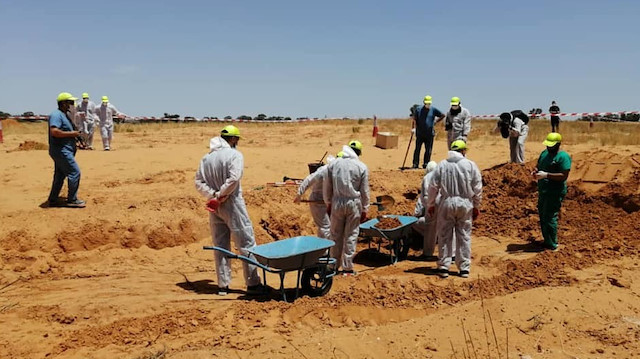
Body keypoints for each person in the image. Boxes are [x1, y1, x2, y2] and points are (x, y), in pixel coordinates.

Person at [195, 125, 264, 296]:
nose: (237, 142)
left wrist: (213, 195)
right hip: (232, 203)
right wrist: (220, 195)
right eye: (237, 139)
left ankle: (223, 285)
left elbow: (198, 182)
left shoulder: (206, 159)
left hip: (214, 205)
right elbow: (234, 179)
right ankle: (253, 284)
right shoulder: (235, 155)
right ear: (233, 139)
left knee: (220, 245)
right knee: (246, 242)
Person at [427, 140, 482, 278]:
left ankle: (444, 266)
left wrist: (431, 204)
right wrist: (476, 205)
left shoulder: (442, 165)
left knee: (445, 235)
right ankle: (464, 268)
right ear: (463, 151)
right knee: (463, 235)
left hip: (447, 202)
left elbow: (433, 186)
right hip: (465, 203)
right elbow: (477, 188)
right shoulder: (470, 165)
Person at [323, 140, 370, 276]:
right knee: (351, 235)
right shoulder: (361, 167)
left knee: (335, 234)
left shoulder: (334, 164)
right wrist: (365, 208)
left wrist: (328, 203)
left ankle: (333, 265)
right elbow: (365, 191)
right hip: (354, 203)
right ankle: (348, 267)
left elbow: (327, 186)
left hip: (337, 202)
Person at [532, 133, 571, 251]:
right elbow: (538, 165)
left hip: (555, 191)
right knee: (542, 215)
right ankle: (547, 240)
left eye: (551, 146)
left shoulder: (563, 157)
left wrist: (547, 175)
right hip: (543, 190)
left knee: (550, 216)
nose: (549, 148)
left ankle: (553, 243)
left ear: (558, 144)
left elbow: (564, 176)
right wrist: (535, 171)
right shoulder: (544, 154)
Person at [47, 92, 86, 208]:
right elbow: (54, 132)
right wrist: (72, 133)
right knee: (74, 172)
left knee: (60, 175)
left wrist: (76, 138)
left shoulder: (65, 115)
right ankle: (72, 199)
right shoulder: (56, 115)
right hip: (61, 151)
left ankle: (53, 199)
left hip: (65, 150)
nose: (73, 105)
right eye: (71, 102)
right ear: (63, 103)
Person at [294, 152, 344, 239]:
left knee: (331, 226)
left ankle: (324, 248)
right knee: (326, 227)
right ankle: (326, 249)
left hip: (330, 203)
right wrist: (299, 195)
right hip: (318, 202)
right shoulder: (324, 171)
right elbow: (309, 180)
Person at [411, 95, 445, 169]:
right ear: (424, 102)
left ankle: (426, 164)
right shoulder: (418, 109)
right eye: (426, 103)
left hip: (429, 134)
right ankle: (415, 164)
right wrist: (413, 129)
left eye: (429, 104)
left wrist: (436, 121)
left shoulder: (433, 109)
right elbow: (414, 119)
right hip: (420, 133)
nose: (428, 105)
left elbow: (442, 115)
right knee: (417, 149)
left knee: (428, 150)